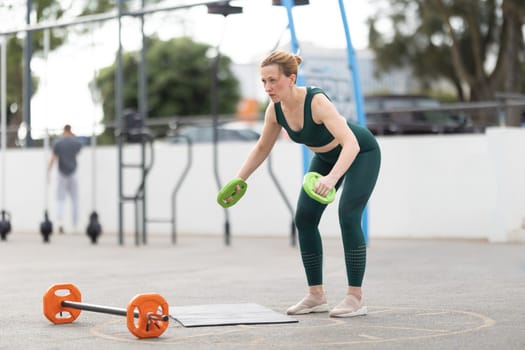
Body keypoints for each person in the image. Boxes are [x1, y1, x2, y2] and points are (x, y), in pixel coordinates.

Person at [231, 51, 381, 318]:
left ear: (291, 78)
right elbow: (263, 147)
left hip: (361, 153)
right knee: (305, 218)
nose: (267, 88)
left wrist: (332, 179)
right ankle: (316, 295)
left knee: (348, 215)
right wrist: (239, 180)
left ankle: (355, 298)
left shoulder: (317, 102)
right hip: (325, 157)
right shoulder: (275, 110)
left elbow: (351, 144)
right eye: (263, 81)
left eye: (273, 80)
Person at [47, 124, 83, 234]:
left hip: (61, 173)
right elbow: (78, 150)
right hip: (73, 172)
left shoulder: (58, 142)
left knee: (60, 199)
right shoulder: (75, 142)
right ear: (70, 130)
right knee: (75, 200)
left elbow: (53, 157)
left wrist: (48, 170)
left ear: (64, 130)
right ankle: (75, 225)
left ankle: (60, 222)